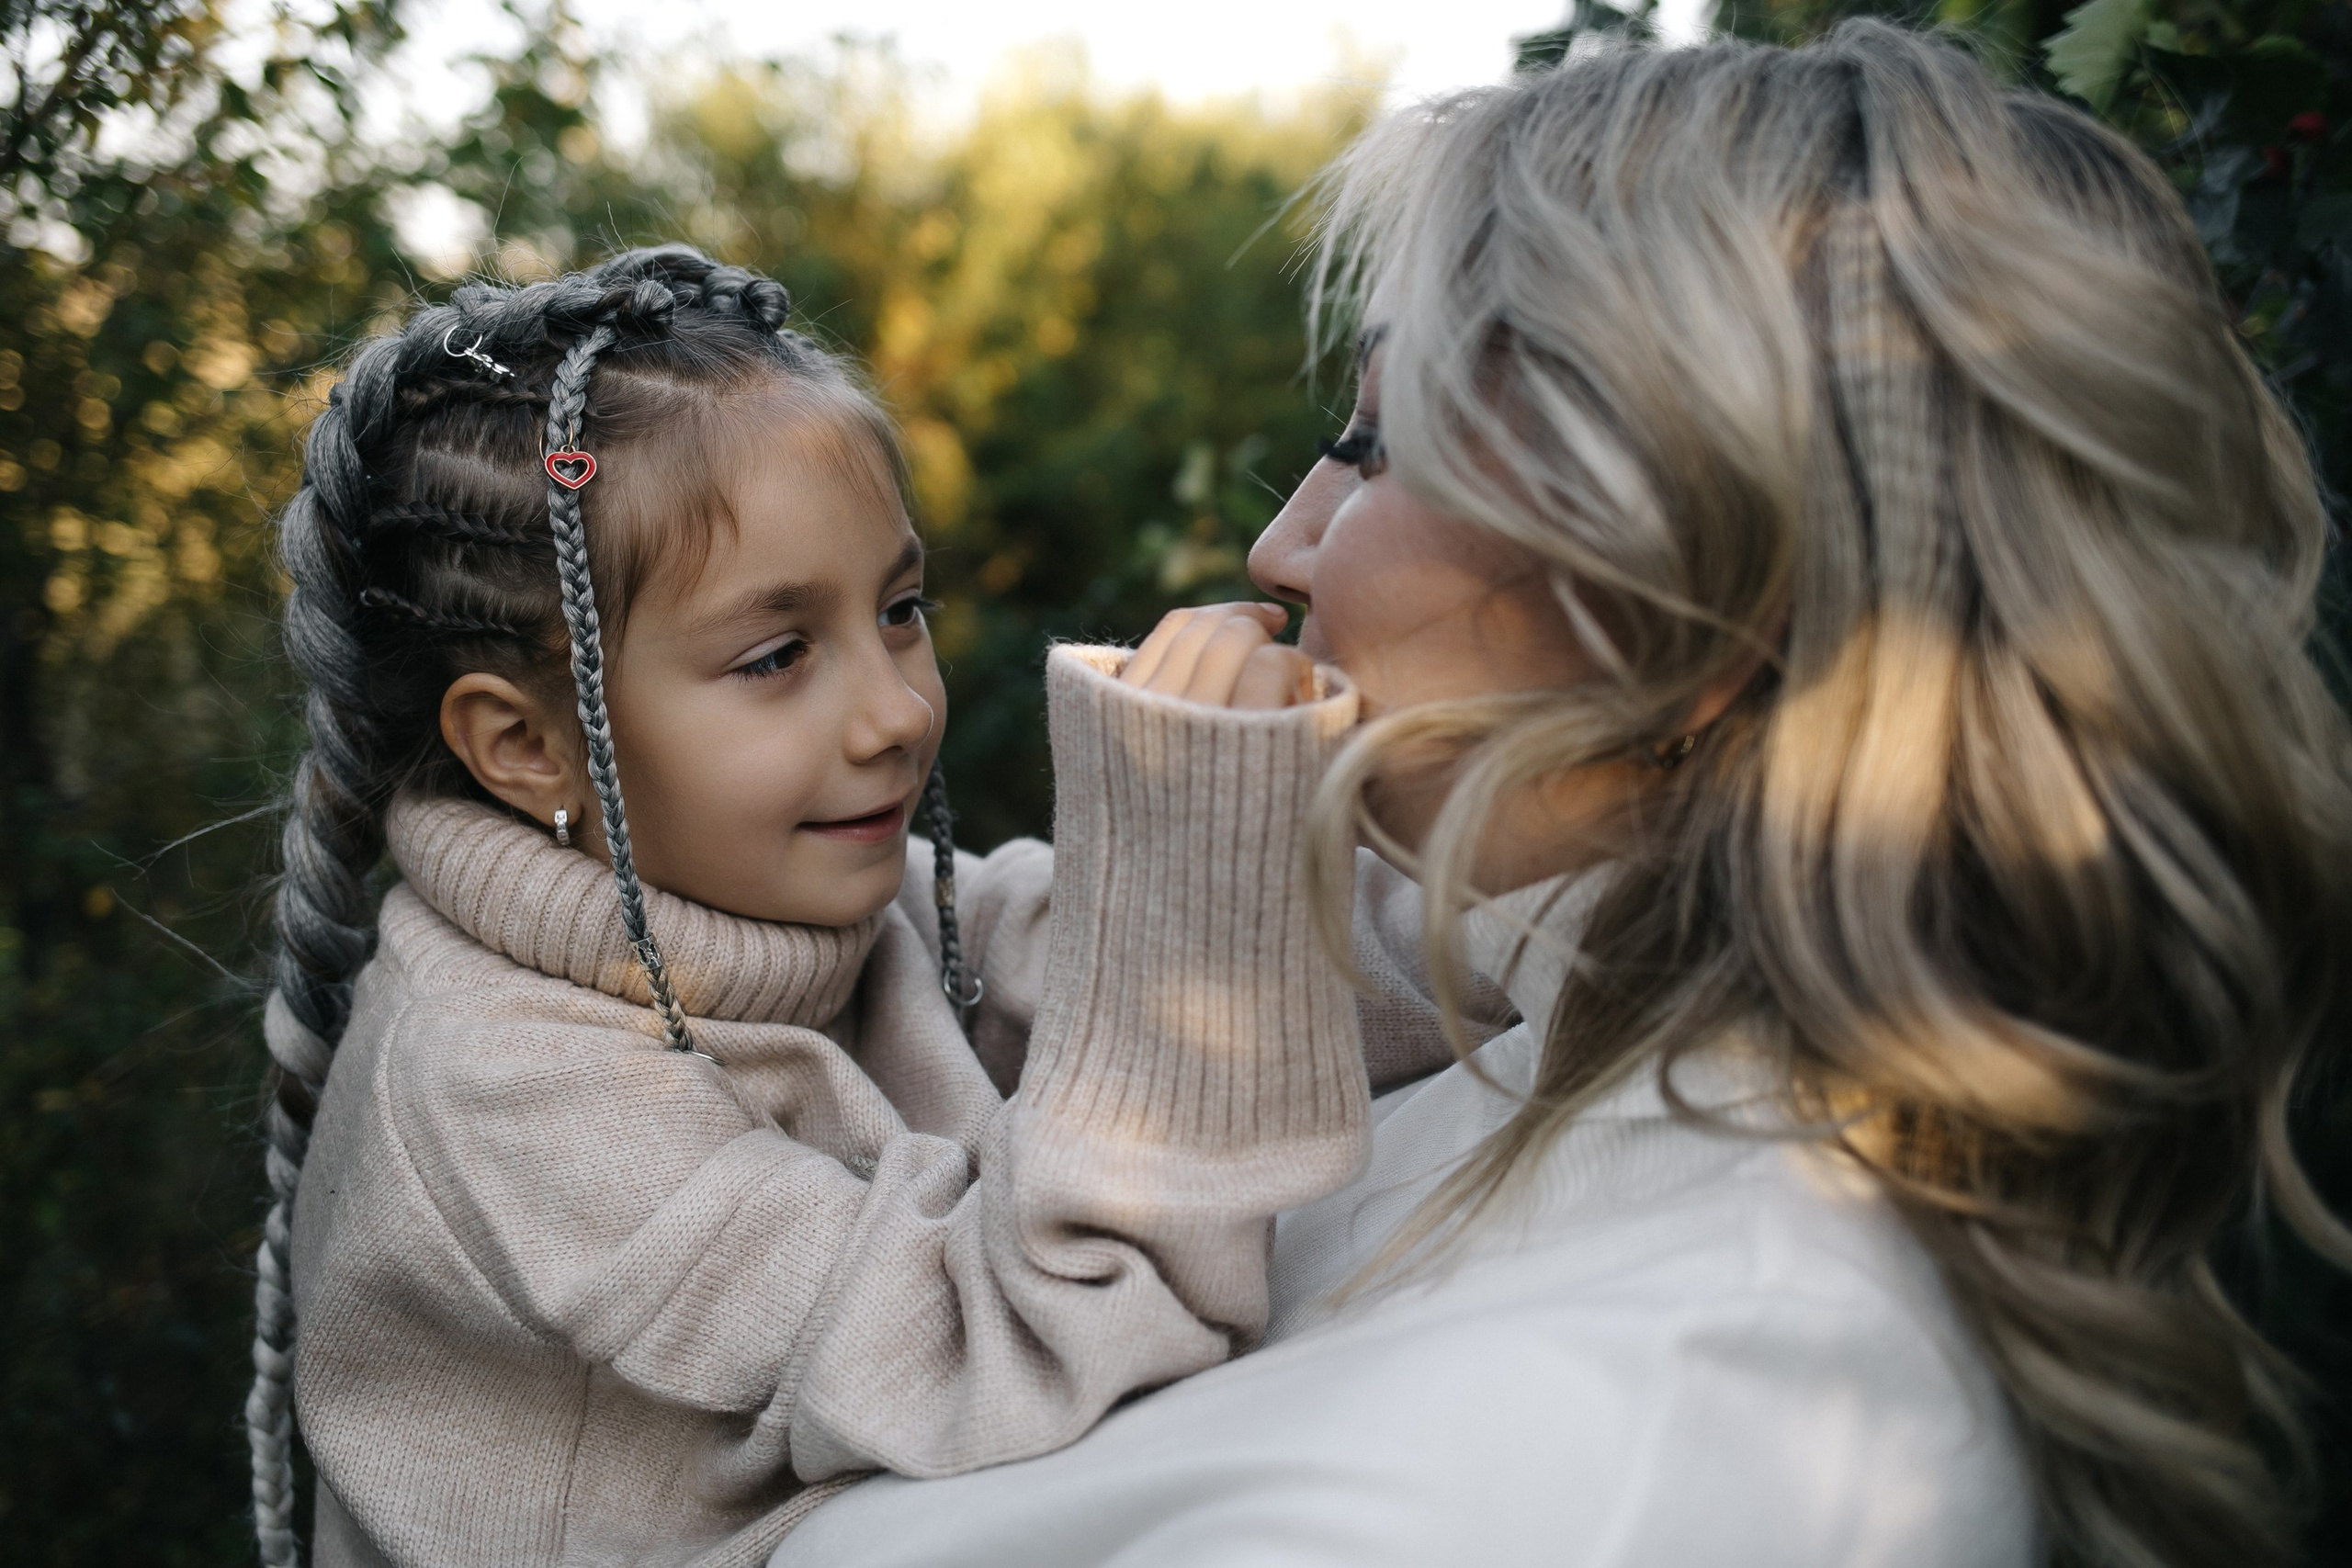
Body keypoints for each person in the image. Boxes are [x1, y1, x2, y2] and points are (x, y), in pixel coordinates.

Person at [772, 23, 2352, 1568]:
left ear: (1694, 600)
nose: (1282, 547)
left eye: (1376, 445)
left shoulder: (1608, 1463)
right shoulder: (1527, 1045)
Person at [243, 244, 1415, 1568]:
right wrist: (1188, 862)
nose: (898, 710)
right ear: (526, 746)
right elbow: (1023, 1349)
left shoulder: (804, 900)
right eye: (777, 655)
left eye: (900, 609)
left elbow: (1183, 962)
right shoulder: (500, 1094)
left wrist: (1504, 871)